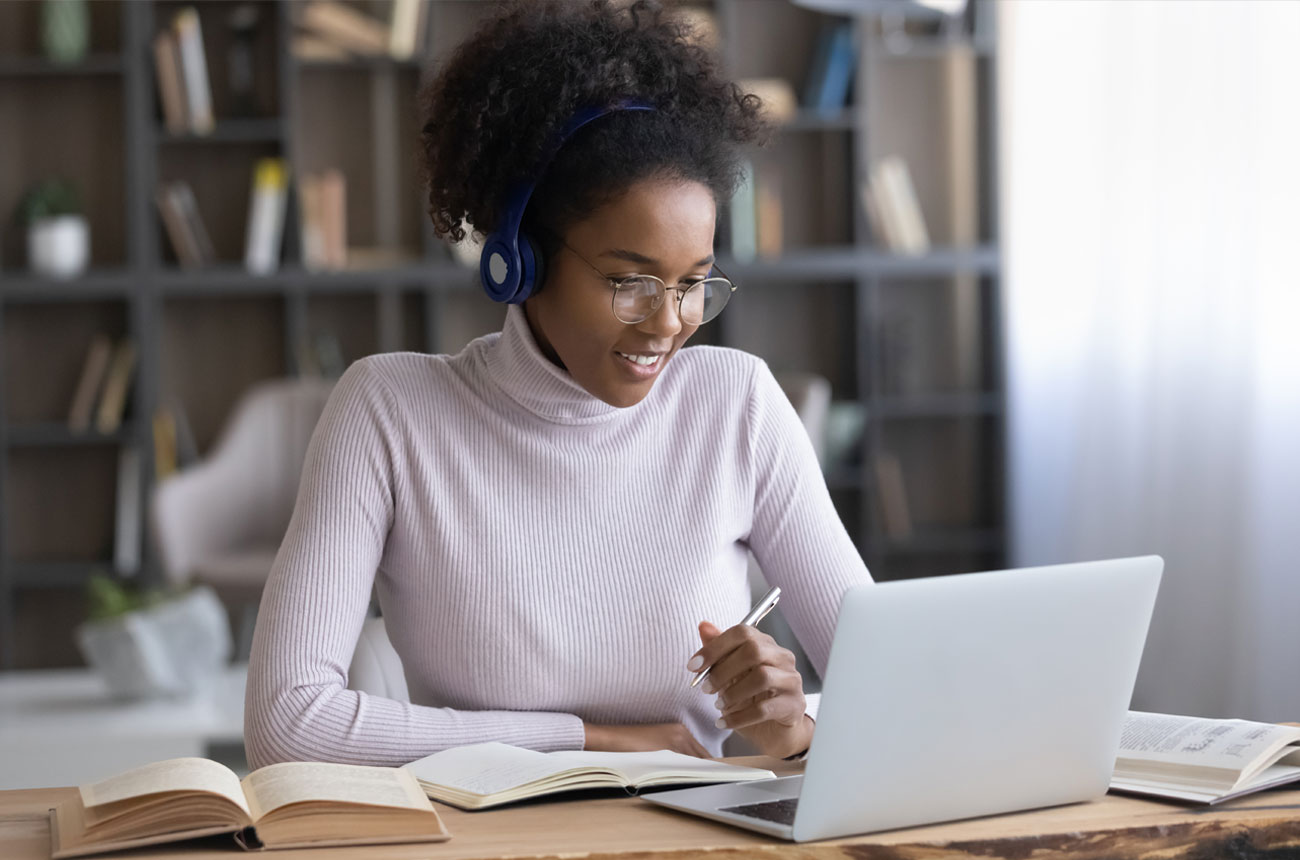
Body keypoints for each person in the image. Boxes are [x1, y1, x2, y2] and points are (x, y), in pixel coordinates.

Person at [244, 0, 871, 771]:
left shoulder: (736, 405)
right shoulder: (390, 413)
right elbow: (286, 723)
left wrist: (797, 730)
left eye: (694, 284)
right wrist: (591, 742)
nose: (668, 323)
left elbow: (892, 693)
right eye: (628, 282)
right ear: (520, 259)